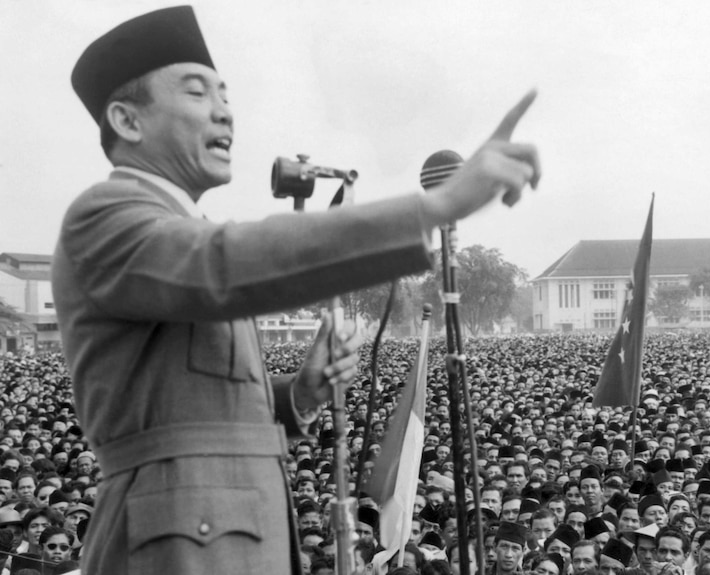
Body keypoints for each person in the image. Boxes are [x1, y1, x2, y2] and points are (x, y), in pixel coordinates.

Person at [57, 6, 539, 575]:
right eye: (197, 93)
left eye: (227, 96)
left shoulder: (172, 230)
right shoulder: (106, 217)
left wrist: (301, 393)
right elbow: (222, 264)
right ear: (127, 120)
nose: (224, 113)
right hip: (176, 544)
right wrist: (434, 209)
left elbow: (197, 407)